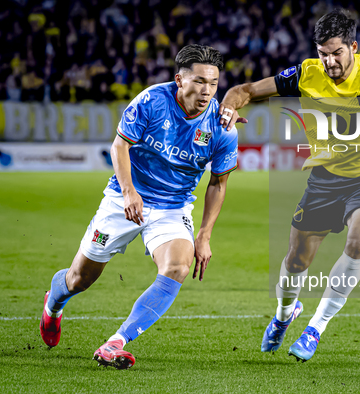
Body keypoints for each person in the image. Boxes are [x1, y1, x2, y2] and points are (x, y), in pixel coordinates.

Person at [219, 9, 360, 362]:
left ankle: (316, 327)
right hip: (324, 180)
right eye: (322, 53)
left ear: (353, 48)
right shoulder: (305, 75)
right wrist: (228, 108)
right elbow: (244, 90)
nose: (329, 61)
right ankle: (284, 316)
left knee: (359, 242)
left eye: (336, 53)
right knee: (296, 261)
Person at [39, 44, 243, 369]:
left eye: (214, 83)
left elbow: (218, 183)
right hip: (124, 199)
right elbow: (120, 145)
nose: (207, 91)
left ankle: (116, 342)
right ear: (180, 79)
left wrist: (204, 234)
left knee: (178, 266)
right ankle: (54, 303)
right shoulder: (152, 100)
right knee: (80, 278)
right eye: (199, 81)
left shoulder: (222, 127)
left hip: (173, 208)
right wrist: (129, 191)